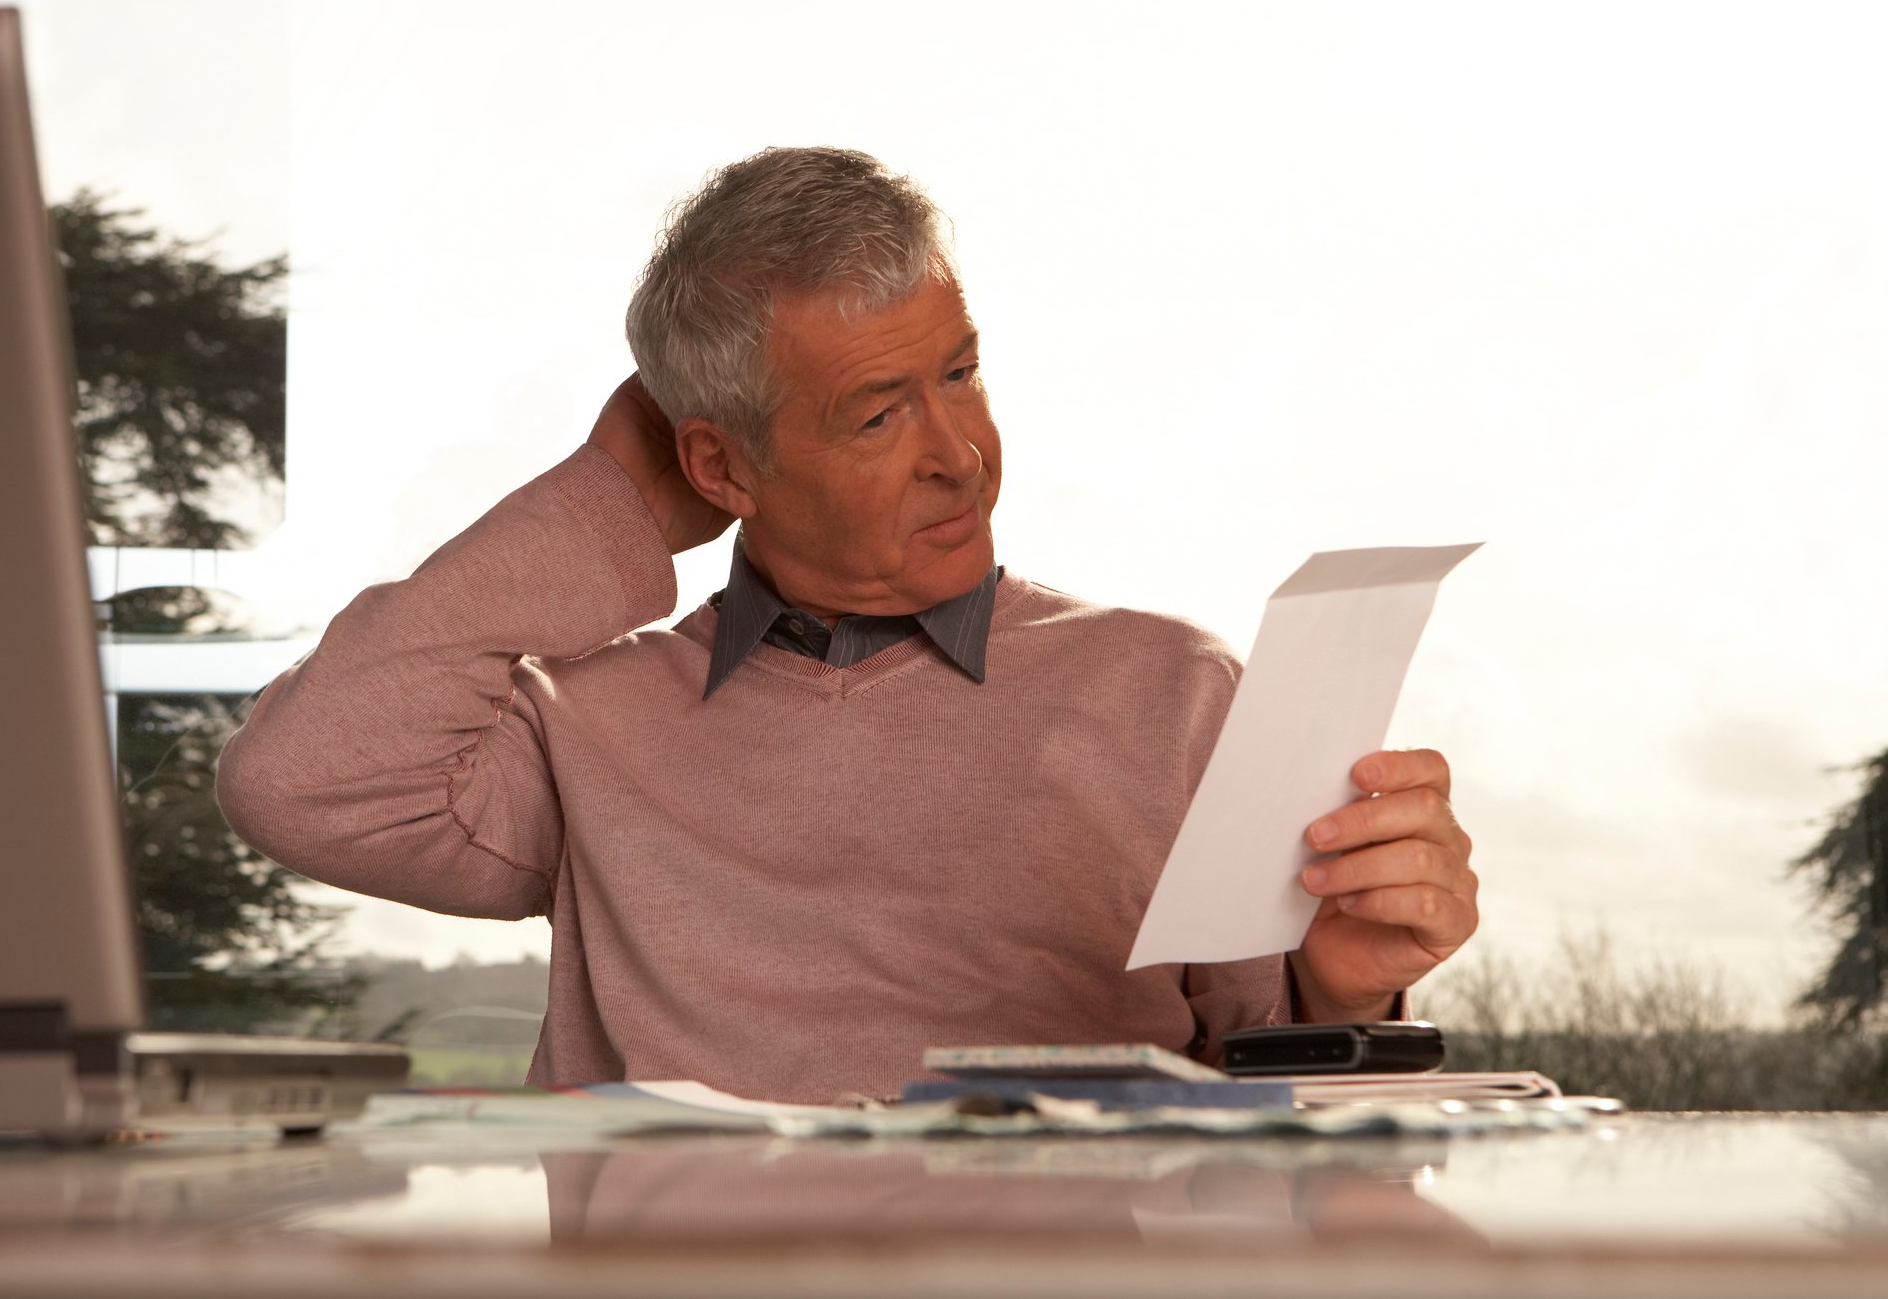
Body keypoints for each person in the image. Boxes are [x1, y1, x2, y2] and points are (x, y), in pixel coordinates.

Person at [217, 147, 1478, 1104]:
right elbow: (299, 779)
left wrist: (1343, 983)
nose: (963, 456)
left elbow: (1284, 1115)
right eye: (879, 415)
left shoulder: (1176, 691)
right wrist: (610, 506)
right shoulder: (581, 729)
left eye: (963, 372)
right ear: (718, 465)